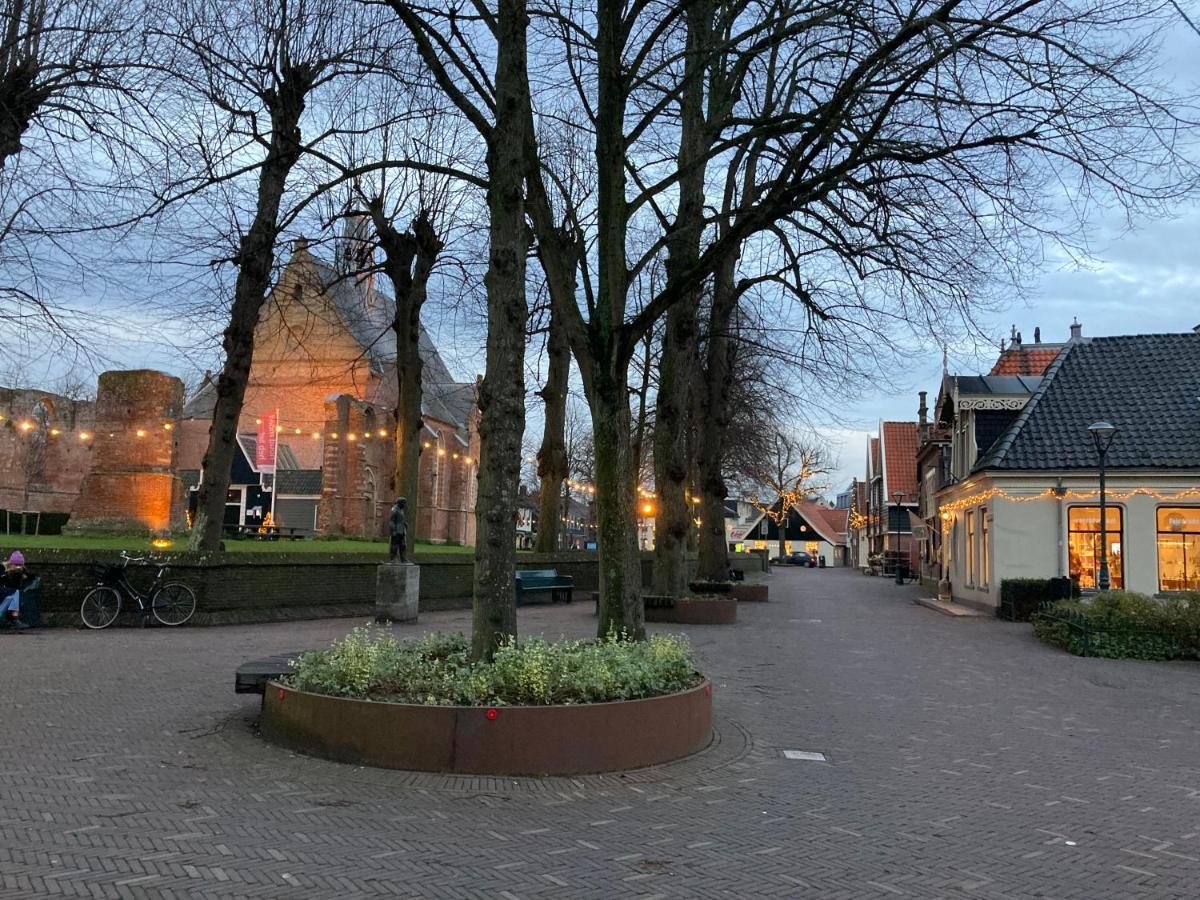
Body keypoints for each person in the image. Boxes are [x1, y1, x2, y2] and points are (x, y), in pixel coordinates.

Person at [0, 551, 30, 630]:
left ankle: (13, 619)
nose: (18, 567)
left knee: (13, 595)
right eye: (16, 565)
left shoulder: (20, 572)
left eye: (20, 565)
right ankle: (14, 619)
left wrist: (21, 575)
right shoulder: (2, 570)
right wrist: (8, 575)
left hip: (6, 599)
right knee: (14, 593)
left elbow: (29, 577)